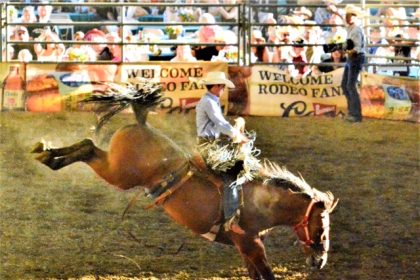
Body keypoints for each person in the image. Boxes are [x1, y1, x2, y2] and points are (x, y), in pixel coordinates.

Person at [196, 71, 248, 234]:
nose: (224, 89)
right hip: (208, 147)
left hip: (211, 144)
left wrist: (235, 133)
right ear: (217, 86)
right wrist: (236, 135)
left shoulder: (211, 100)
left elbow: (221, 123)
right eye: (223, 86)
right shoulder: (209, 102)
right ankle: (231, 220)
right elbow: (220, 123)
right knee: (231, 177)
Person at [341, 4, 366, 123]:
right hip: (352, 58)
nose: (348, 17)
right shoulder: (352, 28)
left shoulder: (355, 30)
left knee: (349, 85)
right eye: (348, 14)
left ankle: (355, 114)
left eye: (351, 15)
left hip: (355, 58)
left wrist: (344, 51)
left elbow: (356, 49)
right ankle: (353, 112)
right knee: (347, 85)